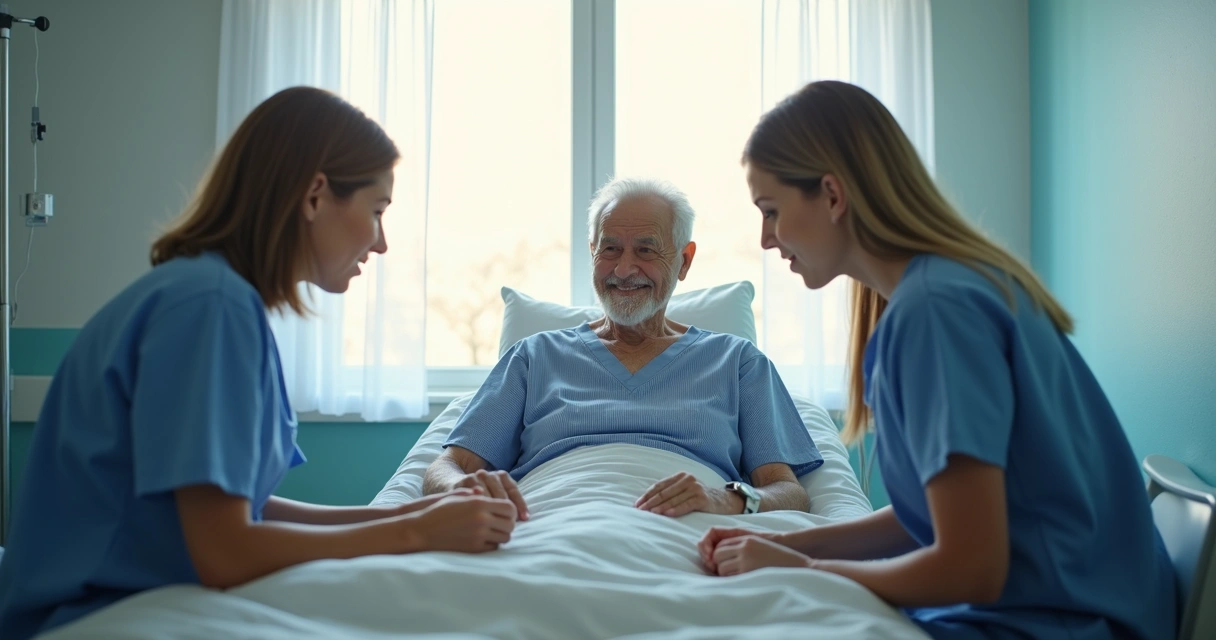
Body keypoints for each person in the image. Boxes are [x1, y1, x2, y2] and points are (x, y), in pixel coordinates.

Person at [0, 86, 517, 640]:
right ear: (315, 194)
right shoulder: (210, 308)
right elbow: (224, 551)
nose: (381, 242)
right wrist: (417, 537)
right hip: (85, 613)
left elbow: (241, 510)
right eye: (377, 210)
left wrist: (410, 516)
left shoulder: (208, 296)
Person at [697, 79, 1177, 639]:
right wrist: (787, 543)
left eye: (772, 210)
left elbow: (972, 566)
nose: (766, 239)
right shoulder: (951, 290)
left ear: (832, 195)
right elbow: (932, 516)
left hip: (1065, 623)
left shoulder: (935, 315)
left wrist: (809, 572)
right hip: (1081, 605)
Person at [423, 177, 823, 519]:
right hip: (551, 522)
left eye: (646, 250)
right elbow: (448, 468)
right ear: (592, 252)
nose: (624, 269)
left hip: (687, 529)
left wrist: (726, 498)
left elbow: (790, 493)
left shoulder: (737, 362)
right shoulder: (533, 357)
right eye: (610, 249)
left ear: (684, 261)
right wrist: (468, 492)